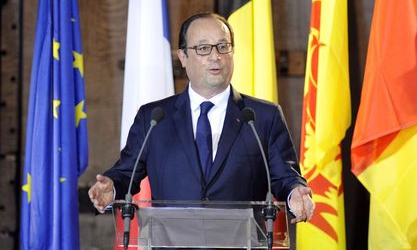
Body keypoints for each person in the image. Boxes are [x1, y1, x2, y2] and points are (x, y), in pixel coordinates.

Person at [88, 12, 315, 223]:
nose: (215, 57)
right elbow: (127, 172)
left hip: (241, 243)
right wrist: (112, 187)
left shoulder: (262, 117)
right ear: (183, 57)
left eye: (222, 47)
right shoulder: (154, 118)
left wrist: (295, 193)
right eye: (203, 48)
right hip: (171, 243)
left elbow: (285, 177)